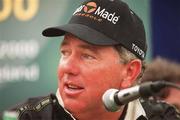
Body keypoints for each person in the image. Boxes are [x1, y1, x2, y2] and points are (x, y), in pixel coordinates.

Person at [0, 0, 180, 120]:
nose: (67, 67)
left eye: (87, 56)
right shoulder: (25, 117)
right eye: (65, 52)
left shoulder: (164, 117)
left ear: (129, 72)